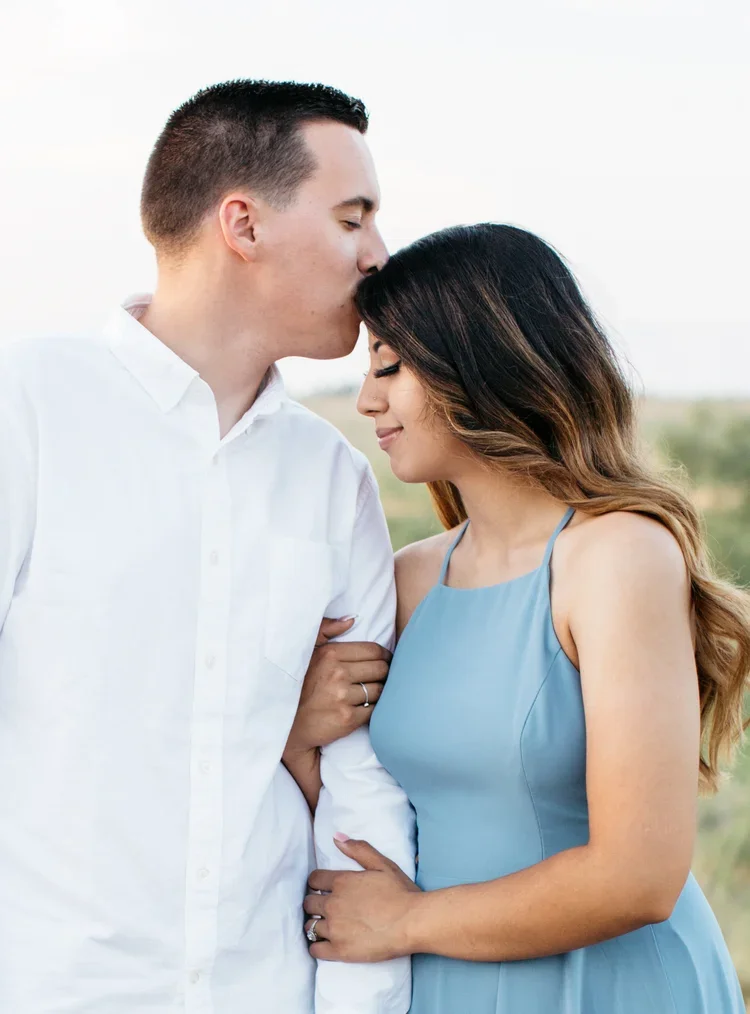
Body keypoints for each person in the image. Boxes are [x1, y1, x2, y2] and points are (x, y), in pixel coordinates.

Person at [0, 80, 415, 1014]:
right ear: (244, 222)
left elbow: (360, 795)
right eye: (353, 218)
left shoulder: (334, 478)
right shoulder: (26, 408)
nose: (380, 254)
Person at [302, 224, 749, 1013]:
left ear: (478, 361)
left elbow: (639, 877)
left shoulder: (615, 557)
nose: (368, 398)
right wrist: (302, 727)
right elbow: (346, 800)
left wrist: (410, 921)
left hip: (609, 987)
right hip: (445, 983)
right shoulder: (408, 579)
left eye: (390, 366)